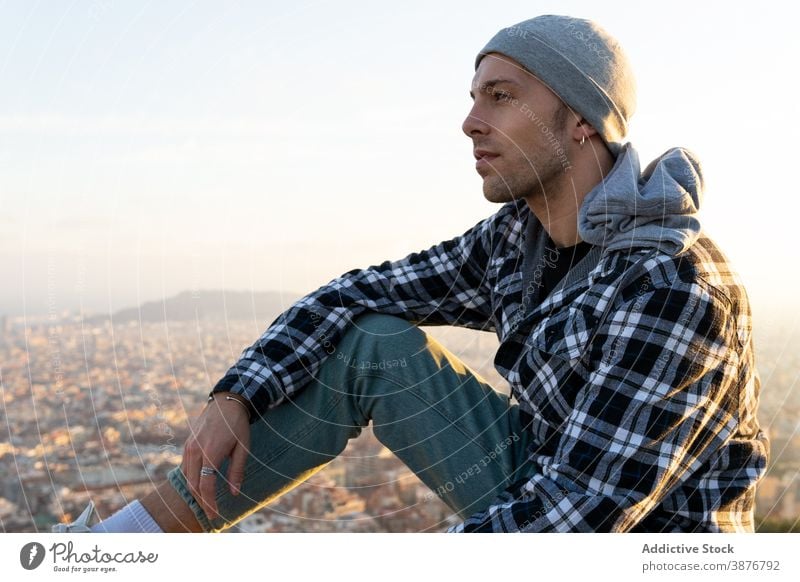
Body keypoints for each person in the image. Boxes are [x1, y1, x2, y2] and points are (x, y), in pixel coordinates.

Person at [54, 14, 768, 534]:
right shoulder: (518, 241)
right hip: (549, 490)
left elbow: (574, 524)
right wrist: (236, 393)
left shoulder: (671, 287)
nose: (468, 122)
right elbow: (356, 294)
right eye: (473, 95)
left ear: (580, 120)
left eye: (500, 96)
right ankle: (116, 547)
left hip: (642, 546)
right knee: (374, 342)